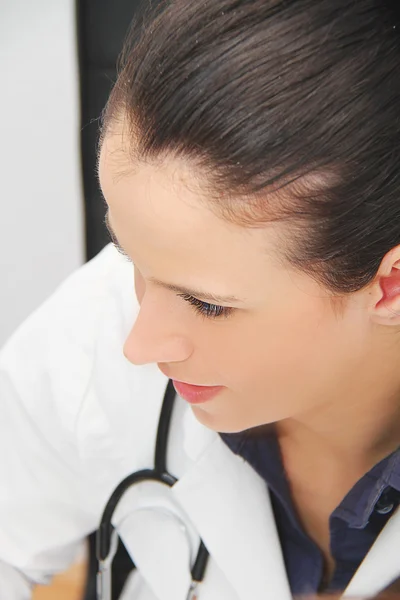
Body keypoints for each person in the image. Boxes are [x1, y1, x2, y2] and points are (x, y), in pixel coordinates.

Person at [1, 0, 400, 598]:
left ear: (389, 285)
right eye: (132, 258)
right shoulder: (94, 324)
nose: (138, 344)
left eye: (209, 304)